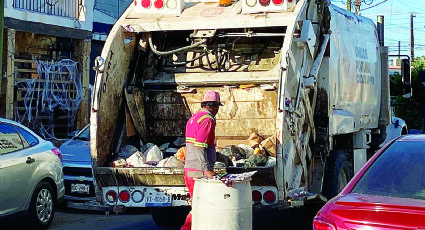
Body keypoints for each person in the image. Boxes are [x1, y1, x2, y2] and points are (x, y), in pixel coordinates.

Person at [181, 90, 222, 230]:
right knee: (201, 207)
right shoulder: (207, 119)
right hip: (198, 171)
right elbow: (200, 146)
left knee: (197, 206)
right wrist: (207, 169)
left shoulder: (195, 118)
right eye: (218, 107)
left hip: (189, 169)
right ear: (215, 105)